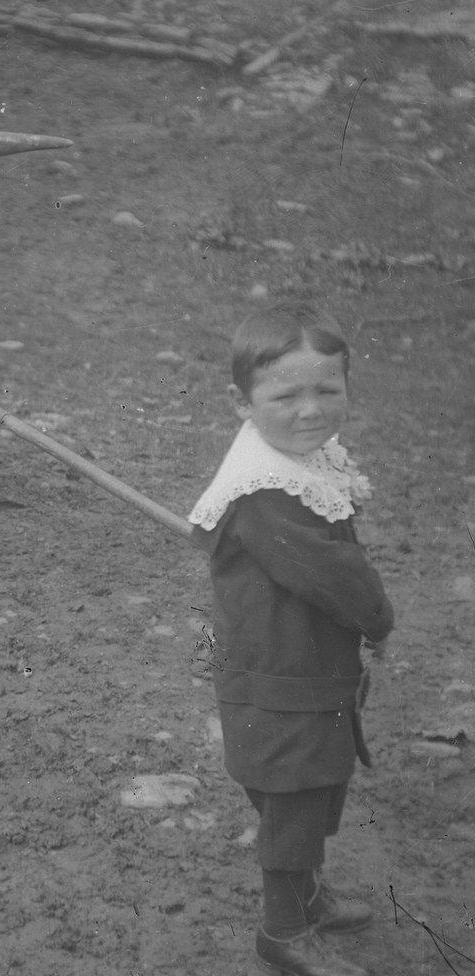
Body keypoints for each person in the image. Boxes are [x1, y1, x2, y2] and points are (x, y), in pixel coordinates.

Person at [188, 301, 394, 976]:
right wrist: (377, 616)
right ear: (241, 403)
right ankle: (283, 932)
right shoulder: (264, 492)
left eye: (327, 390)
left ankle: (307, 897)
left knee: (312, 791)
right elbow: (333, 574)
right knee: (294, 802)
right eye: (285, 396)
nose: (310, 410)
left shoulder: (294, 460)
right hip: (280, 681)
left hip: (304, 671)